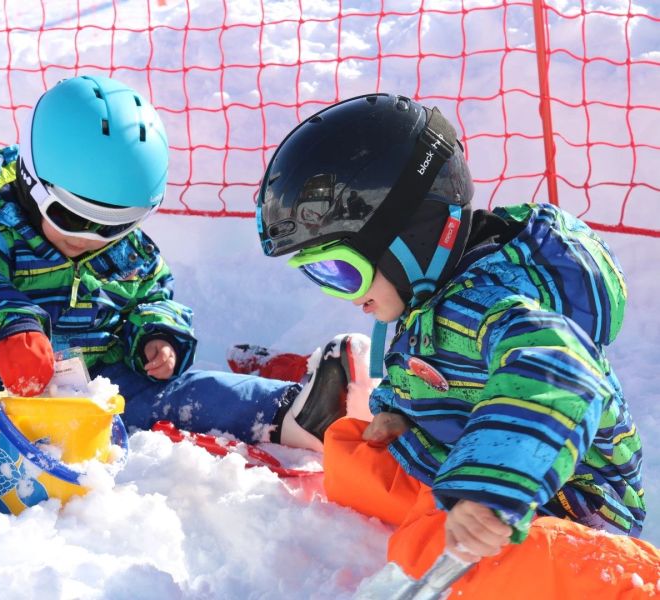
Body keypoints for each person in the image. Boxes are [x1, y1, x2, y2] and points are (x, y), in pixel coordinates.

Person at [0, 75, 356, 517]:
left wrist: (156, 335)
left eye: (116, 225)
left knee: (185, 391)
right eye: (73, 218)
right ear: (35, 185)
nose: (90, 238)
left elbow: (156, 296)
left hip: (92, 389)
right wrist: (8, 325)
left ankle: (296, 412)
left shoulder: (127, 252)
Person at [256, 93, 659, 596]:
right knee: (347, 449)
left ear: (409, 239)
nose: (348, 294)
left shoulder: (491, 304)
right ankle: (451, 509)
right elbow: (429, 368)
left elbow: (560, 367)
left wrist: (488, 491)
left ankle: (625, 580)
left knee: (431, 548)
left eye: (340, 269)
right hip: (465, 466)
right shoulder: (431, 289)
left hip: (563, 502)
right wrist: (399, 411)